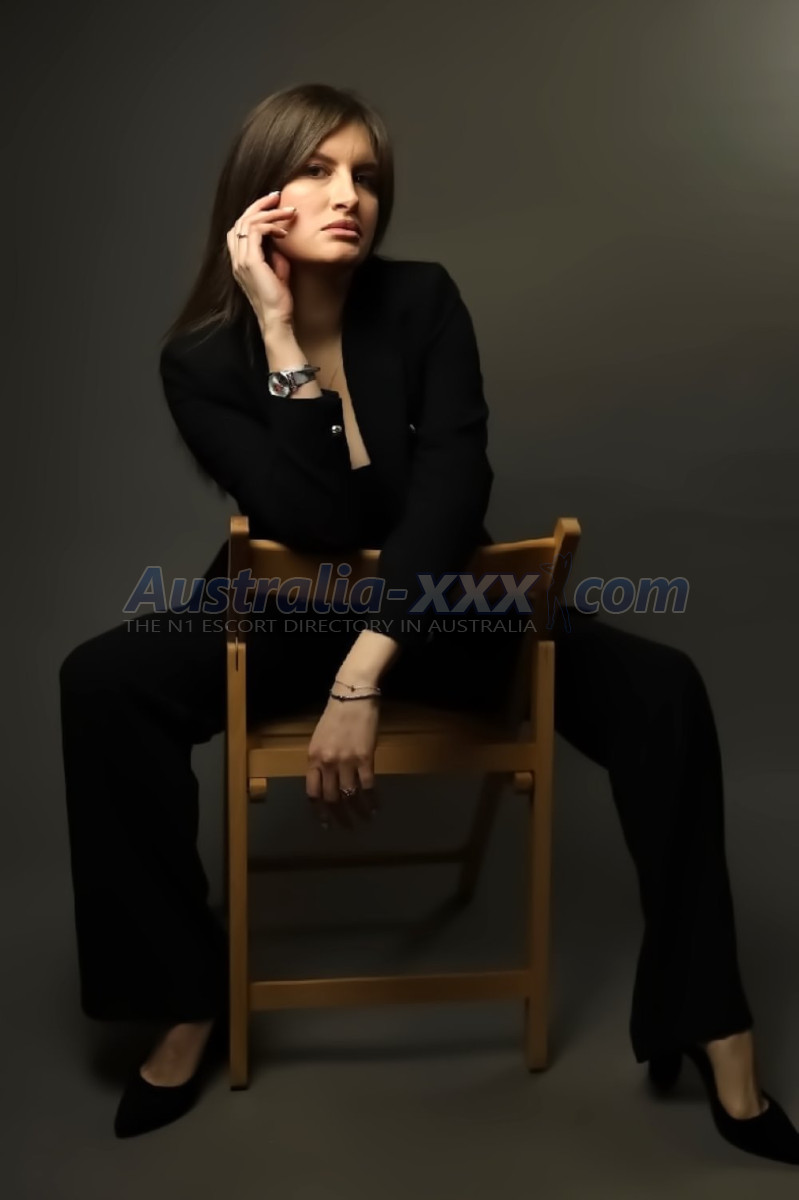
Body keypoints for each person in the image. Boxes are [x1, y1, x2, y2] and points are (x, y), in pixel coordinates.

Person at [58, 82, 799, 1159]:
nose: (348, 195)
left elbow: (452, 491)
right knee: (102, 683)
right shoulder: (201, 360)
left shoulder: (423, 301)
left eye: (364, 176)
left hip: (441, 602)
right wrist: (278, 335)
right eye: (316, 170)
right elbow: (309, 521)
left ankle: (708, 1019)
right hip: (282, 608)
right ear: (257, 197)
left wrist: (362, 674)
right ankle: (185, 995)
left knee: (663, 690)